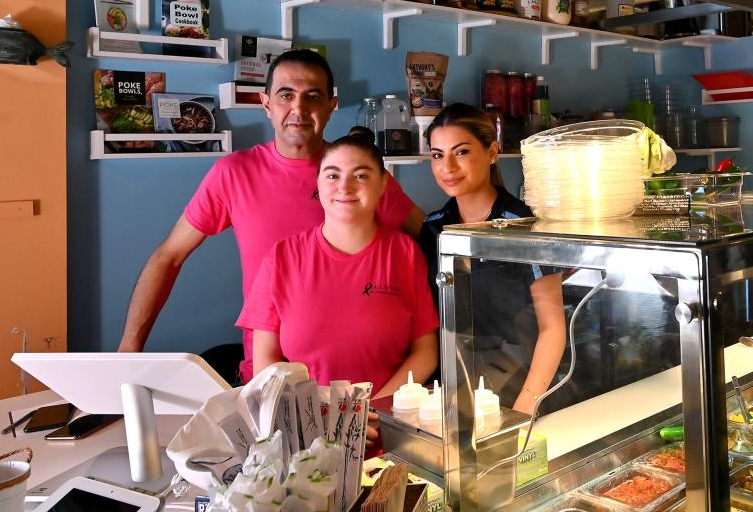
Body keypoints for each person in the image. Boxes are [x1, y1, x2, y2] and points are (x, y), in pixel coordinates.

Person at [118, 49, 426, 382]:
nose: (299, 109)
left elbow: (427, 239)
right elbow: (169, 257)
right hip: (270, 377)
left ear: (330, 106)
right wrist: (128, 350)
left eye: (312, 97)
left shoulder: (356, 175)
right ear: (266, 104)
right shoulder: (234, 174)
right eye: (285, 95)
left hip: (369, 385)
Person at [239, 133, 437, 396]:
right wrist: (320, 419)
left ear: (382, 186)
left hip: (389, 422)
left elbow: (426, 352)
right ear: (318, 184)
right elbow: (266, 365)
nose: (345, 187)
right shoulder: (281, 257)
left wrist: (373, 411)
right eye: (333, 175)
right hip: (305, 427)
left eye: (361, 175)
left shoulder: (405, 253)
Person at [420, 103, 566, 415]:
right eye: (437, 155)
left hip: (521, 383)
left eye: (461, 152)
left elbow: (553, 328)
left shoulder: (524, 225)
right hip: (454, 385)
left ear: (492, 152)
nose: (447, 166)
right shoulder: (433, 227)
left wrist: (523, 410)